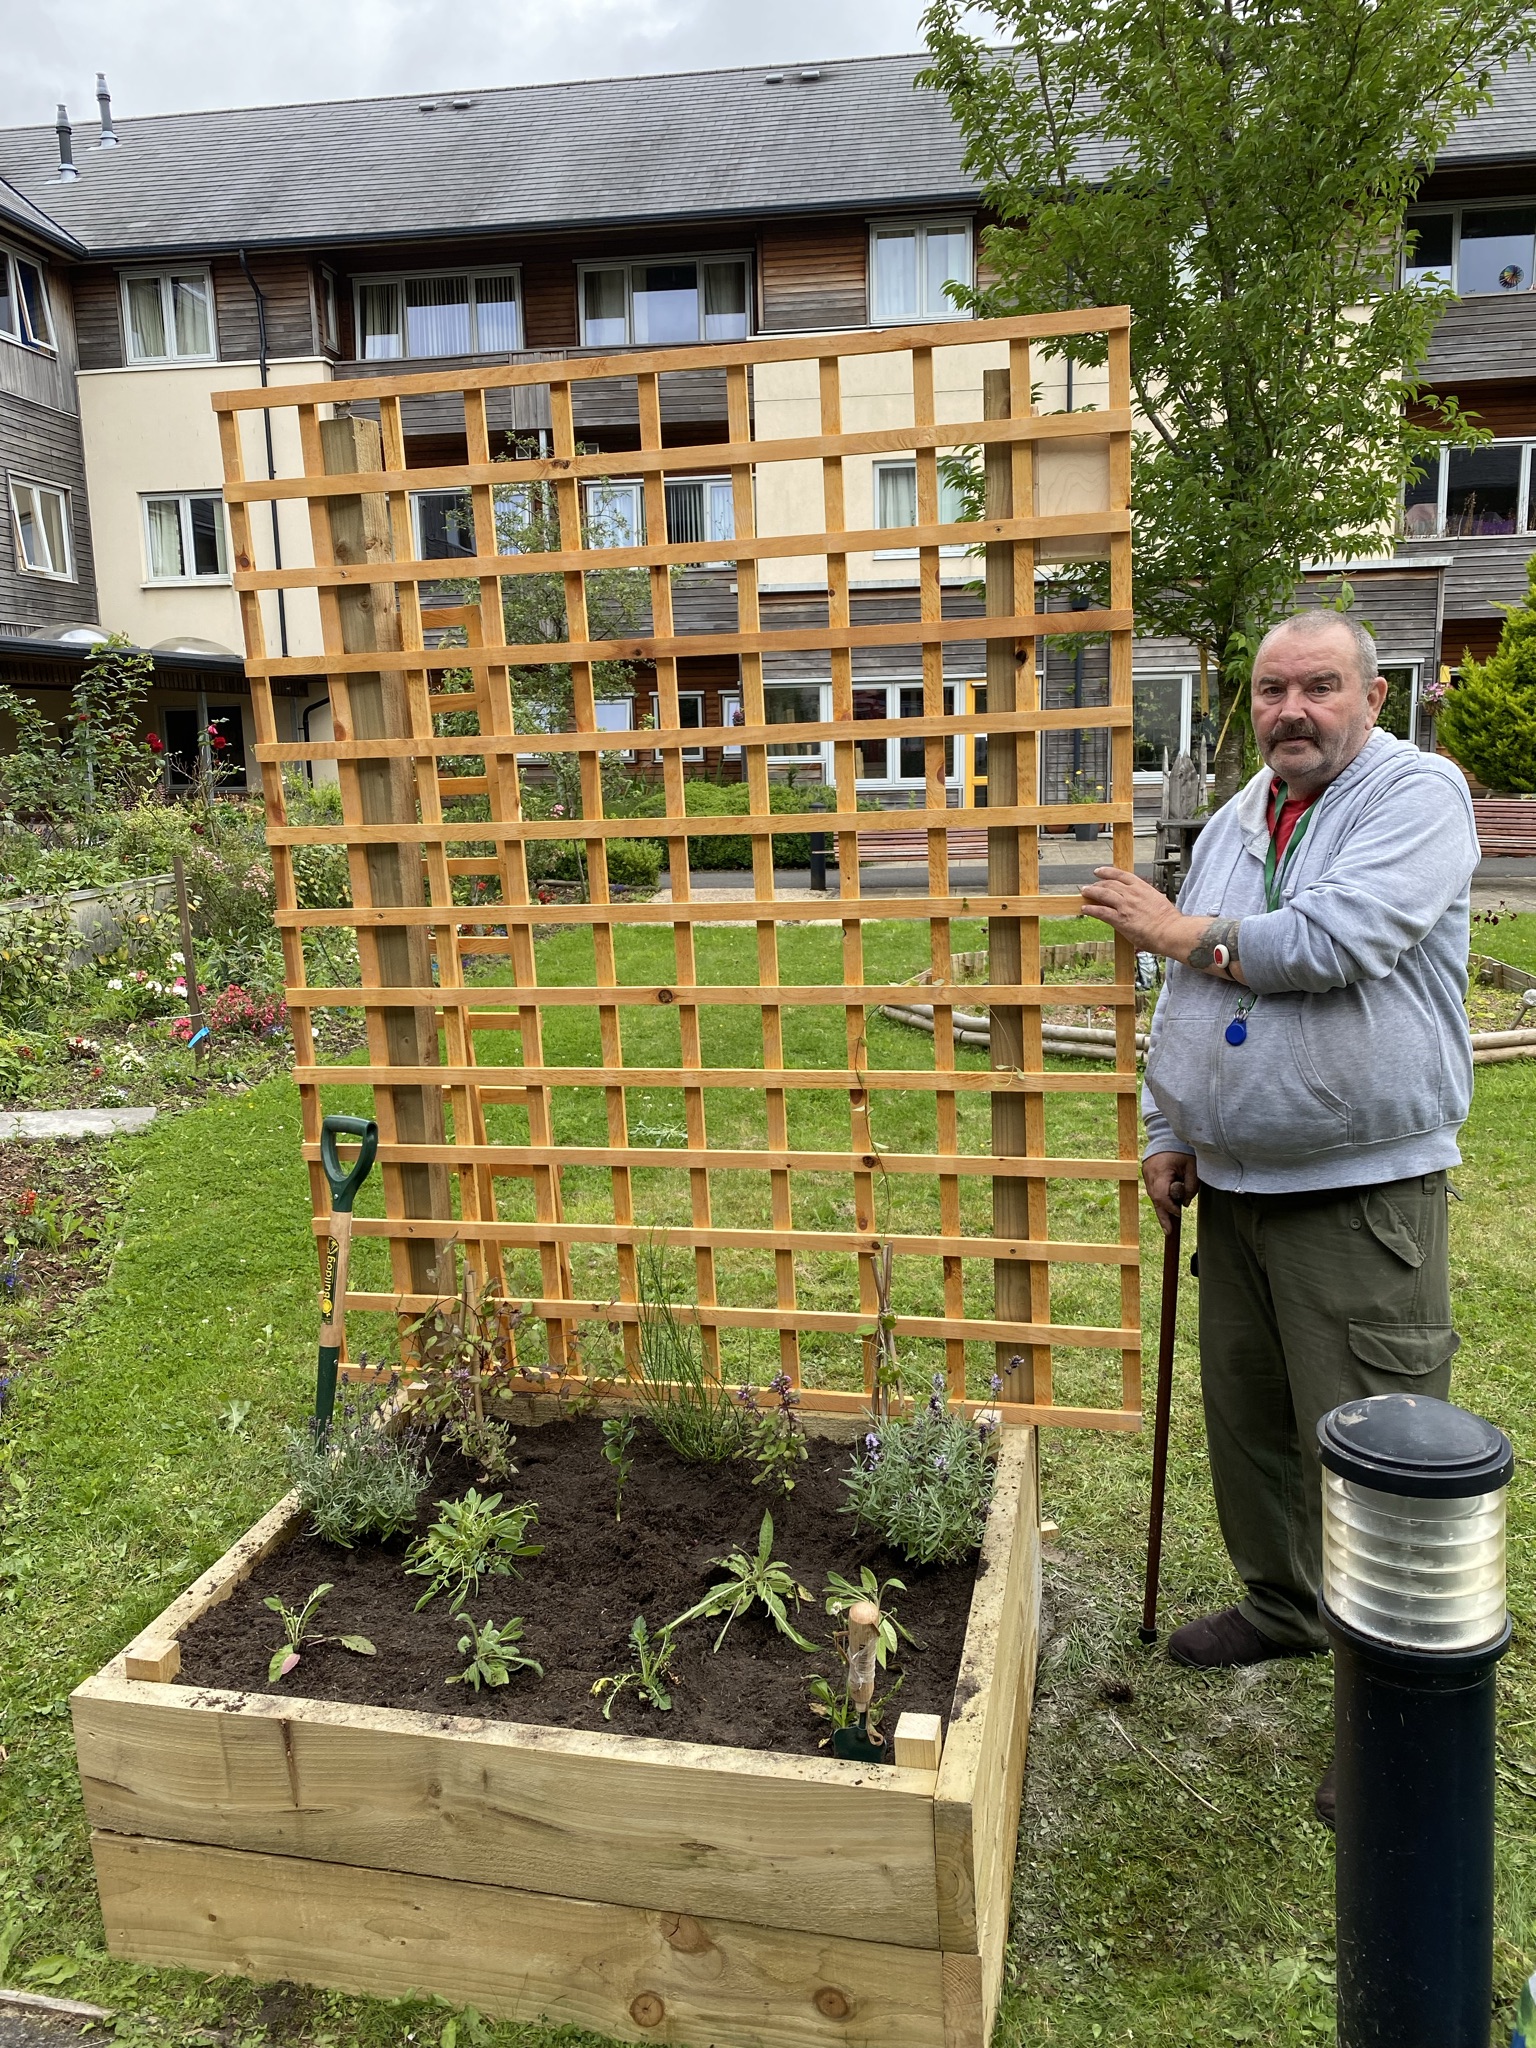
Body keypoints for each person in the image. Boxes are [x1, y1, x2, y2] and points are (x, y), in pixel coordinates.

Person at [1080, 611, 1480, 1824]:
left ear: (1372, 694)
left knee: (1372, 1454)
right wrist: (1168, 1125)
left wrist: (1173, 926)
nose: (1292, 709)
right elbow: (1181, 992)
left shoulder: (1416, 796)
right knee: (1250, 1423)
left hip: (1357, 1193)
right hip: (1237, 1190)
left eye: (1319, 685)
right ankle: (1284, 1604)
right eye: (1271, 689)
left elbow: (1334, 941)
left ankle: (1393, 1713)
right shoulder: (1243, 815)